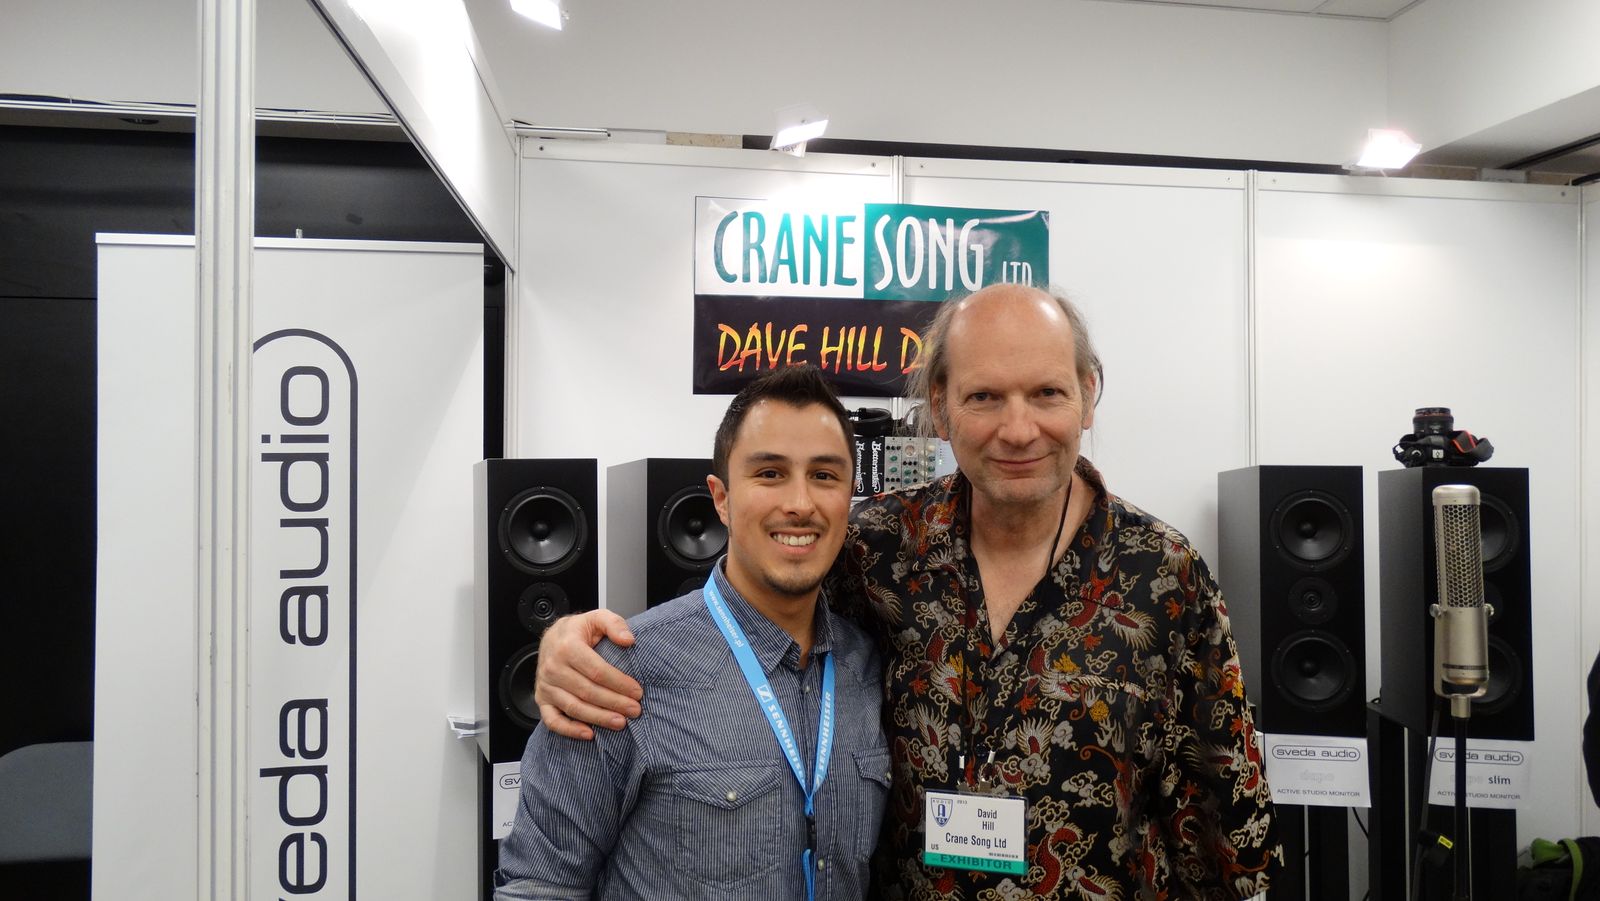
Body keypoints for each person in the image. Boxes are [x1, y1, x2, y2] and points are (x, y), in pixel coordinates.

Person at [536, 285, 1281, 900]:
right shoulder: (878, 548)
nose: (1018, 428)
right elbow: (753, 596)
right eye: (984, 396)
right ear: (940, 405)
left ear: (1088, 396)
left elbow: (1229, 831)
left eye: (1047, 393)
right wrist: (570, 642)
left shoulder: (1165, 576)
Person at [494, 366, 890, 900]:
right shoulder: (614, 677)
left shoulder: (868, 665)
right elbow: (539, 888)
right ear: (721, 498)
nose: (800, 502)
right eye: (770, 473)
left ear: (850, 496)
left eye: (824, 475)